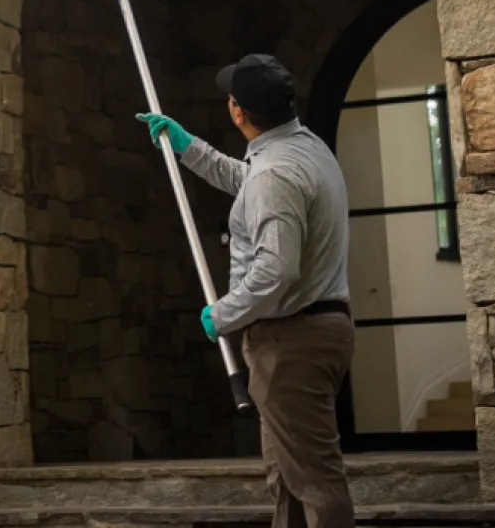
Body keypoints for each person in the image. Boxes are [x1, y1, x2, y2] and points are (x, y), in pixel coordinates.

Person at [137, 53, 354, 528]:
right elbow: (250, 182)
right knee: (288, 481)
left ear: (238, 111)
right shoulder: (303, 148)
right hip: (309, 332)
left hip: (291, 341)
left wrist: (224, 313)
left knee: (314, 481)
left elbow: (276, 270)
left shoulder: (275, 174)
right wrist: (187, 146)